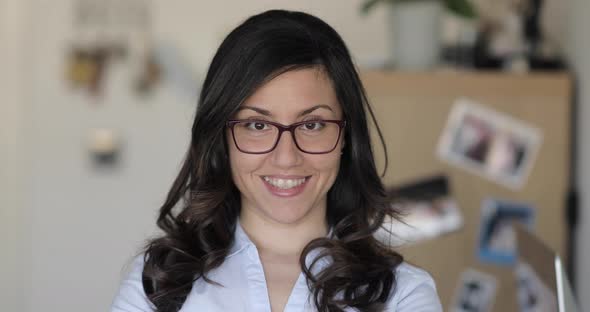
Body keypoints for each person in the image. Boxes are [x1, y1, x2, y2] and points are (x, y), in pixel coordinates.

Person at [111, 9, 442, 312]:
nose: (286, 158)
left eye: (313, 125)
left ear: (346, 137)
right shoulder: (157, 285)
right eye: (257, 125)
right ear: (222, 139)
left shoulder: (403, 295)